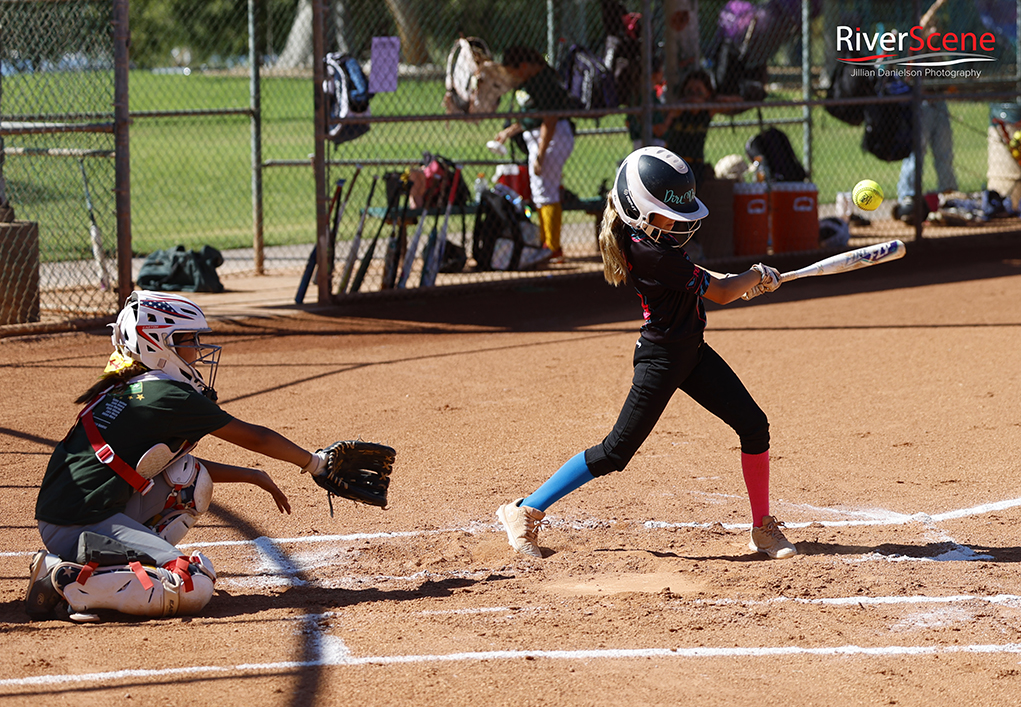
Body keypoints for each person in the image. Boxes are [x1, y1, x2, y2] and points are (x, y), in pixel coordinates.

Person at [496, 146, 797, 561]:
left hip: (692, 354)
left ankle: (762, 528)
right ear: (638, 210)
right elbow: (722, 292)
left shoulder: (655, 242)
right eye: (667, 215)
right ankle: (524, 509)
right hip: (660, 361)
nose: (676, 223)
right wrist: (755, 276)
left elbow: (711, 283)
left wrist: (746, 282)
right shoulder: (648, 252)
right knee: (615, 452)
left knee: (753, 425)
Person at [25, 290, 334, 622]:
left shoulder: (133, 382)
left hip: (75, 513)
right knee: (194, 583)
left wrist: (252, 475)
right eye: (188, 339)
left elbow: (171, 465)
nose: (197, 349)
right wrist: (315, 463)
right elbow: (255, 436)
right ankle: (71, 582)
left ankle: (102, 565)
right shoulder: (168, 394)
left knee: (189, 479)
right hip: (81, 521)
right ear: (158, 342)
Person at [492, 45, 576, 263]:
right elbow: (531, 116)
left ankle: (552, 246)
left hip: (551, 137)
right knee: (541, 191)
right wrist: (509, 132)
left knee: (545, 191)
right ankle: (548, 243)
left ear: (525, 66)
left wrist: (540, 154)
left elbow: (549, 119)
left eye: (515, 70)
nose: (514, 76)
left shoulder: (544, 80)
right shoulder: (532, 81)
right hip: (541, 137)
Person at [662, 69, 742, 187]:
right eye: (689, 91)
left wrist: (712, 100)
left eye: (699, 91)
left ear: (707, 93)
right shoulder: (679, 109)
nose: (693, 96)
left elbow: (738, 102)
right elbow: (662, 130)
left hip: (696, 164)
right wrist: (684, 104)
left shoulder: (707, 110)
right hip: (674, 162)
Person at [894, 98, 958, 225]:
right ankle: (908, 198)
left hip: (939, 99)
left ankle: (947, 196)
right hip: (920, 101)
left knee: (944, 153)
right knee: (916, 154)